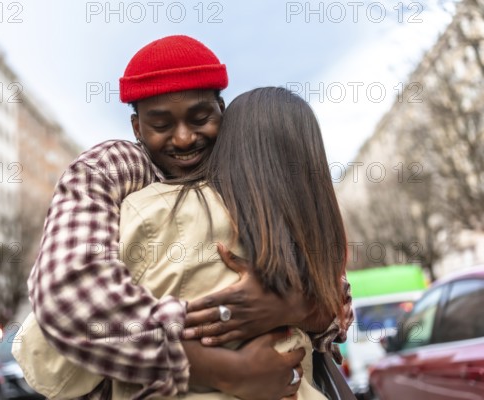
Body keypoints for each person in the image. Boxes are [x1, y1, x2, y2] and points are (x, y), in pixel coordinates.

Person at [26, 35, 353, 400]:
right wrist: (223, 363)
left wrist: (292, 305)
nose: (183, 139)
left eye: (200, 118)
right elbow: (68, 296)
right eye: (161, 125)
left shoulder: (242, 175)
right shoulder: (115, 166)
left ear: (221, 111)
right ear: (137, 128)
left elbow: (336, 298)